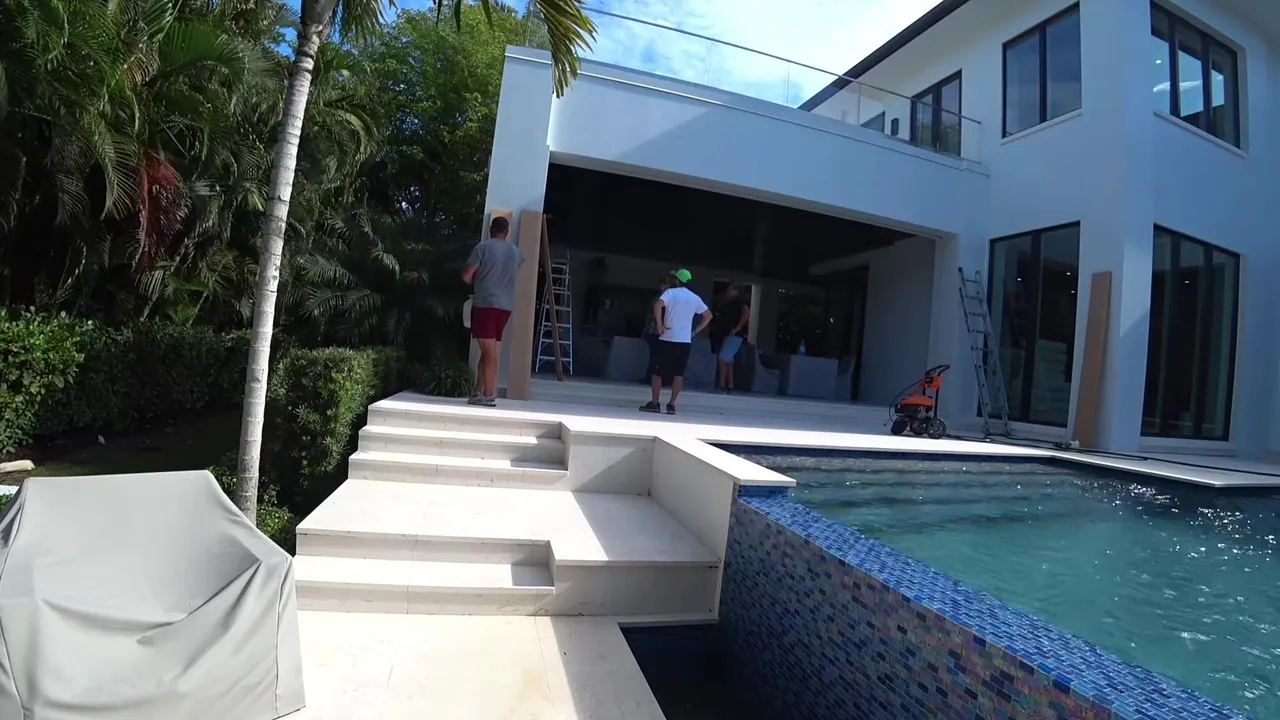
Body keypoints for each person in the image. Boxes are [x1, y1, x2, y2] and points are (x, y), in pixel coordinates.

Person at [461, 215, 522, 406]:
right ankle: (478, 392)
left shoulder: (483, 248)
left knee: (489, 352)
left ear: (491, 230)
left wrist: (477, 279)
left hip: (486, 305)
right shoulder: (516, 253)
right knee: (487, 351)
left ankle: (488, 395)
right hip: (505, 309)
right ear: (507, 232)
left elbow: (466, 276)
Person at [641, 269, 712, 415]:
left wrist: (660, 325)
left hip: (667, 337)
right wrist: (695, 331)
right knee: (678, 374)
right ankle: (672, 405)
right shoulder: (694, 298)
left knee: (657, 372)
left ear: (677, 280)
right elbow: (708, 316)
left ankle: (655, 403)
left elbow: (658, 305)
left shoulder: (670, 293)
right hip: (684, 340)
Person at [709, 283, 750, 393]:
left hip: (735, 335)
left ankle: (722, 386)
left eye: (730, 289)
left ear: (736, 291)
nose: (728, 291)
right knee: (729, 360)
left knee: (723, 358)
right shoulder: (729, 303)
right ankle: (730, 385)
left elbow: (746, 312)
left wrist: (737, 328)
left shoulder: (739, 302)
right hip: (728, 334)